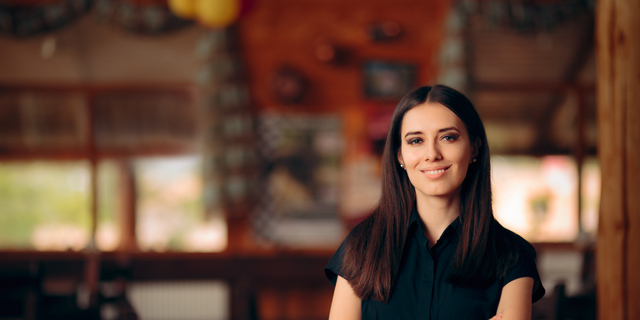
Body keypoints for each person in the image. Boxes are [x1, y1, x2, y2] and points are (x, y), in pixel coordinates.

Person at [325, 85, 545, 320]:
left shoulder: (512, 255)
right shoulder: (361, 247)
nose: (432, 153)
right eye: (416, 140)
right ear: (400, 156)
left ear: (474, 148)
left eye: (448, 137)